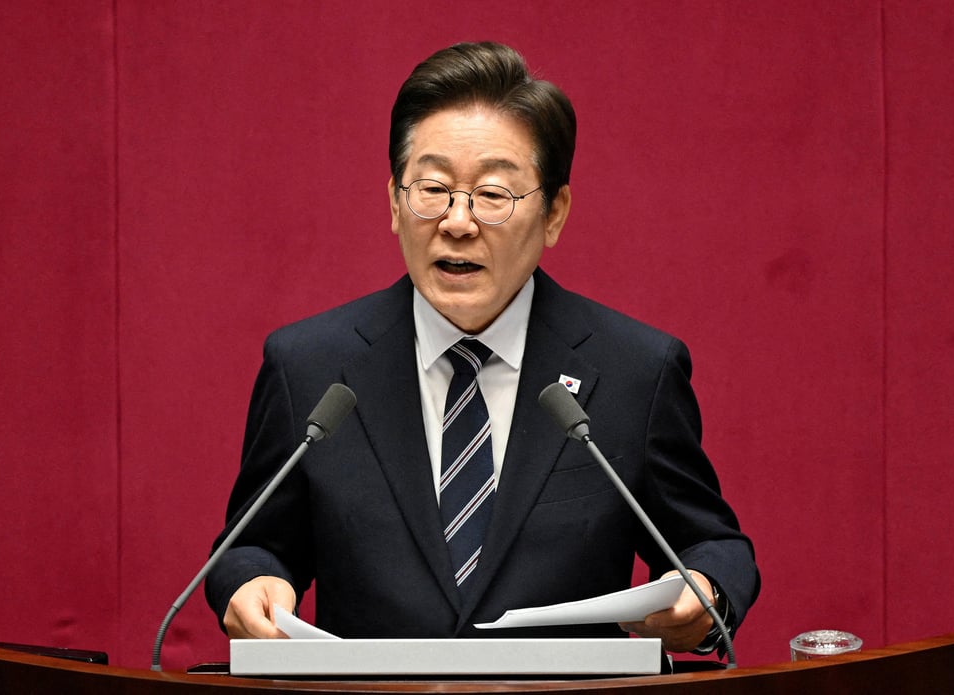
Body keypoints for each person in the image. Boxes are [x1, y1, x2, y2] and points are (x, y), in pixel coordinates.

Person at [204, 41, 759, 657]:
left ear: (554, 213)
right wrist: (250, 581)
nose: (457, 222)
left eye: (494, 195)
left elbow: (712, 545)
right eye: (432, 188)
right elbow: (253, 544)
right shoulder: (309, 366)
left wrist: (706, 592)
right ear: (394, 203)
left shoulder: (635, 371)